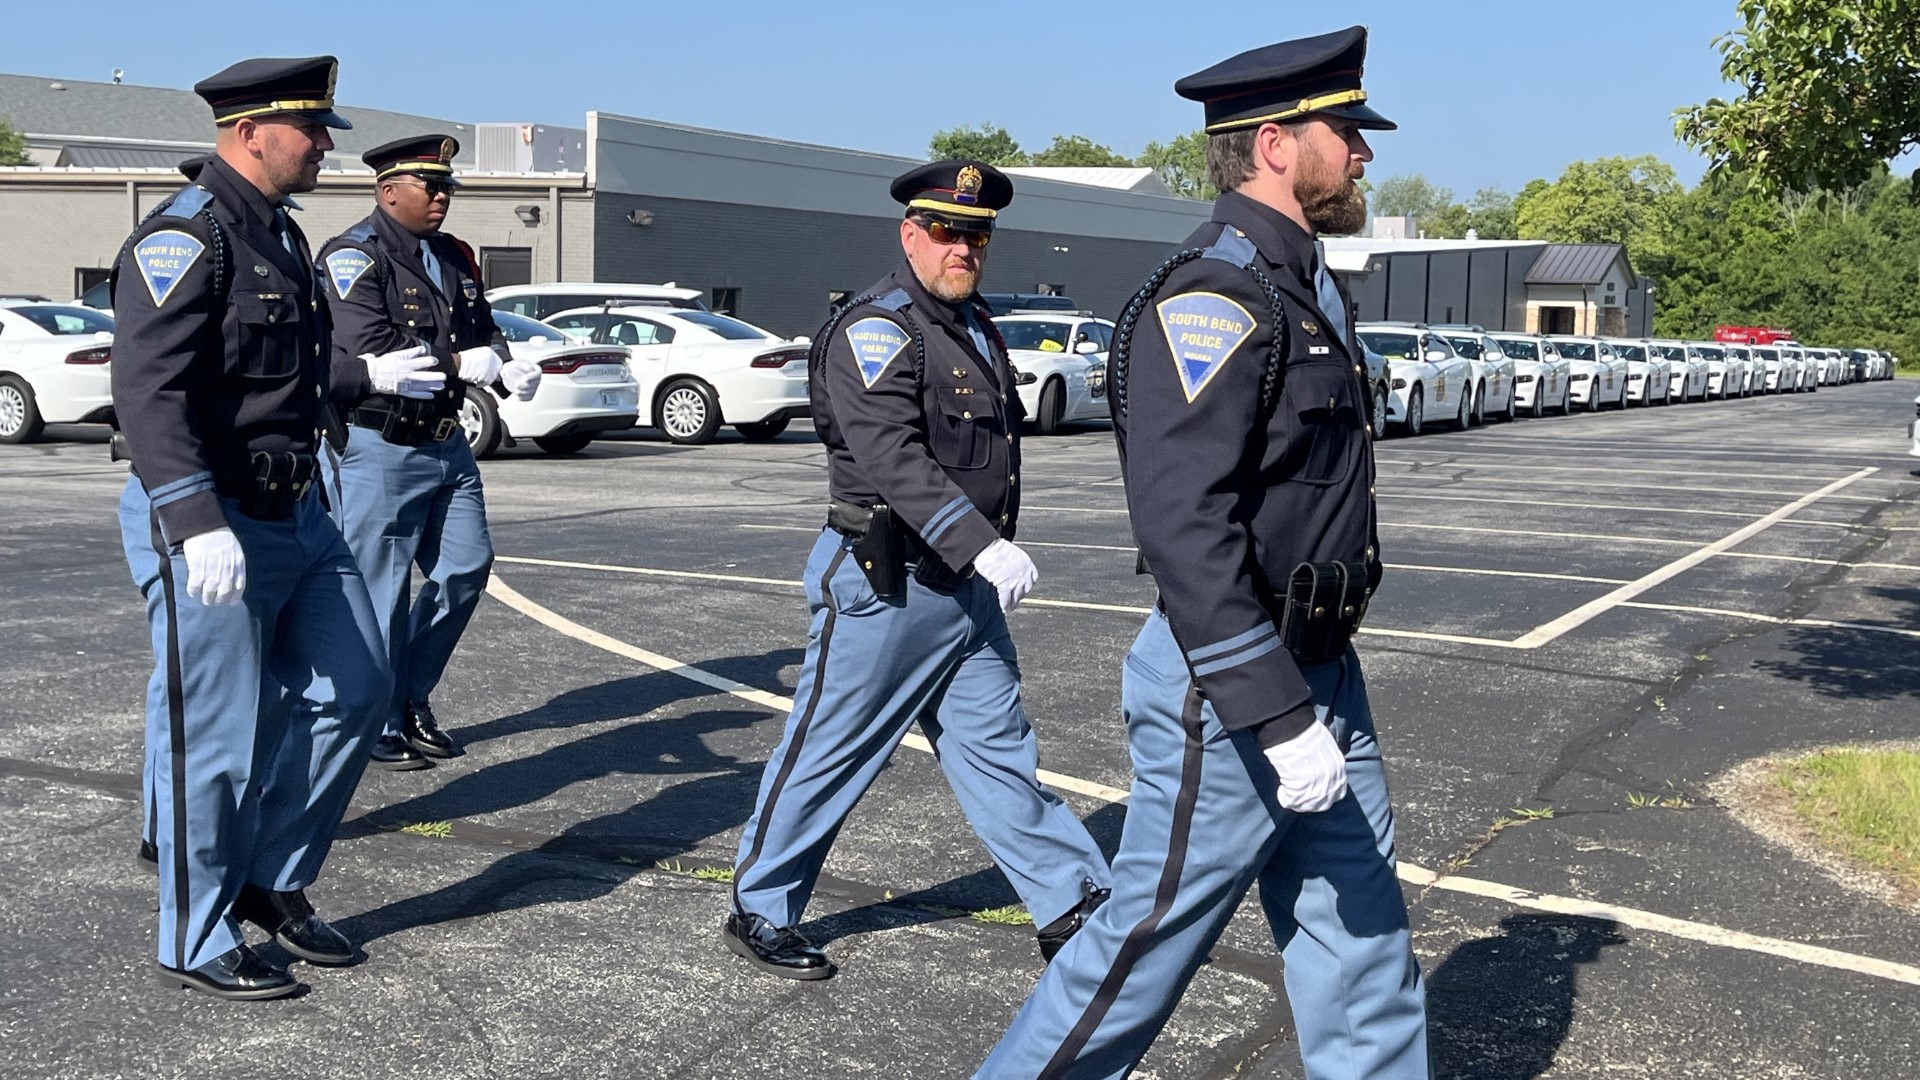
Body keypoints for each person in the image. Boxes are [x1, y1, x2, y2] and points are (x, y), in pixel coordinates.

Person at [974, 28, 1431, 1078]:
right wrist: (1273, 715)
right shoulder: (1214, 299)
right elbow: (1185, 528)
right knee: (1139, 955)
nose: (1364, 154)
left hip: (1322, 673)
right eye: (1345, 132)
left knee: (1366, 952)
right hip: (1230, 692)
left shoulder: (1306, 286)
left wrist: (1312, 702)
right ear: (1275, 144)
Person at [724, 161, 1112, 980]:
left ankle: (1071, 898)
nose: (963, 247)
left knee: (998, 748)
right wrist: (981, 543)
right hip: (886, 583)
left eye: (977, 234)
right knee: (831, 750)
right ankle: (761, 905)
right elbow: (889, 455)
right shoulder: (880, 329)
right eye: (947, 231)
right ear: (911, 234)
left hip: (962, 591)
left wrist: (976, 555)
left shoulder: (972, 325)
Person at [112, 56, 416, 1000]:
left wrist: (369, 379)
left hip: (300, 509)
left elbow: (286, 371)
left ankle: (267, 877)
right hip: (215, 515)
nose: (327, 145)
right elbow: (148, 392)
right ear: (250, 133)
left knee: (358, 691)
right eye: (313, 130)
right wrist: (192, 520)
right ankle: (194, 934)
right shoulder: (182, 238)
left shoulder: (279, 235)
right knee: (218, 736)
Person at [317, 135, 541, 771]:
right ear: (389, 191)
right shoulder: (355, 255)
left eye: (447, 187)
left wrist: (504, 365)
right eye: (430, 187)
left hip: (446, 442)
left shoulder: (454, 255)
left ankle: (410, 695)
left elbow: (481, 325)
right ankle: (377, 717)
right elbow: (371, 343)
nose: (443, 197)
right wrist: (459, 364)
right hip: (382, 442)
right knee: (380, 590)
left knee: (467, 567)